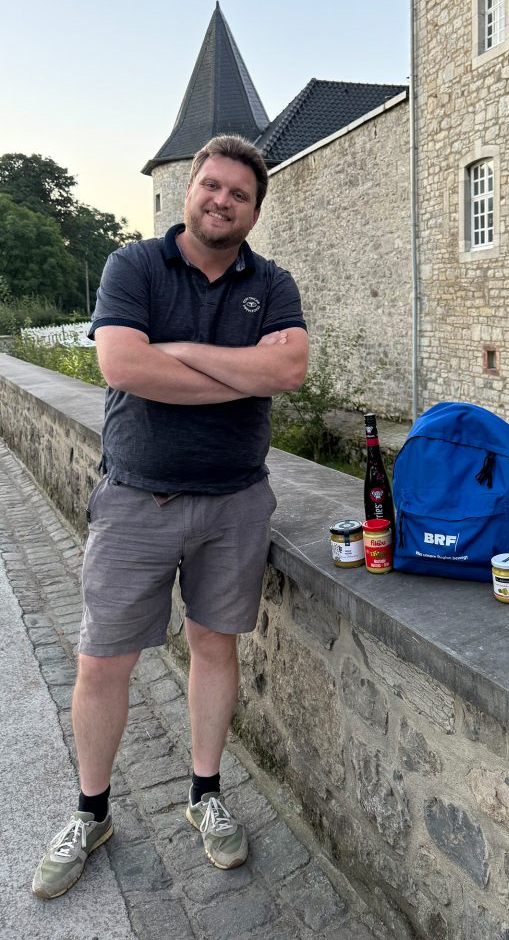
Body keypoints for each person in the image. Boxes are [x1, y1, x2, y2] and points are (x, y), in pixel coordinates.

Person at [32, 134, 308, 899]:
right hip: (136, 499)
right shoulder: (134, 266)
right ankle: (91, 812)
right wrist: (236, 372)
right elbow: (123, 366)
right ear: (188, 189)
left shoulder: (273, 283)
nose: (222, 200)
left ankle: (205, 794)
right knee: (104, 661)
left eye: (239, 194)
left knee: (215, 650)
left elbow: (287, 369)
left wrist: (179, 353)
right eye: (211, 186)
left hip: (235, 504)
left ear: (255, 210)